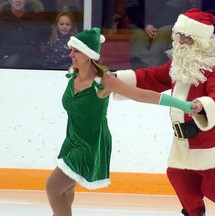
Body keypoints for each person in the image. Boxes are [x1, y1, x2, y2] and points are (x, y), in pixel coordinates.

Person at [114, 8, 215, 216]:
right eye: (180, 36)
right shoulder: (180, 64)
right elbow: (153, 78)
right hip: (187, 140)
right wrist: (116, 81)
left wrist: (205, 105)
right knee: (179, 176)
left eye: (188, 37)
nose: (182, 41)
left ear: (202, 41)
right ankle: (194, 213)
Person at [45, 27, 195, 216]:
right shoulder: (72, 73)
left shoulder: (104, 81)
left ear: (89, 54)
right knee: (65, 189)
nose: (71, 54)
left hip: (90, 144)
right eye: (71, 50)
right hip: (72, 140)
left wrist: (182, 104)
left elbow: (142, 95)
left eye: (76, 50)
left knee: (52, 187)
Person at [124, 0, 192, 70]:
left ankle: (152, 70)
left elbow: (174, 7)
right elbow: (131, 6)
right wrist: (145, 24)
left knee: (164, 34)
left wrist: (154, 25)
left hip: (168, 23)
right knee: (138, 36)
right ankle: (139, 72)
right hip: (141, 23)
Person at [0, 0, 50, 69]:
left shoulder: (37, 16)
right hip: (6, 62)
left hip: (32, 62)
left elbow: (47, 38)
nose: (18, 1)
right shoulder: (1, 17)